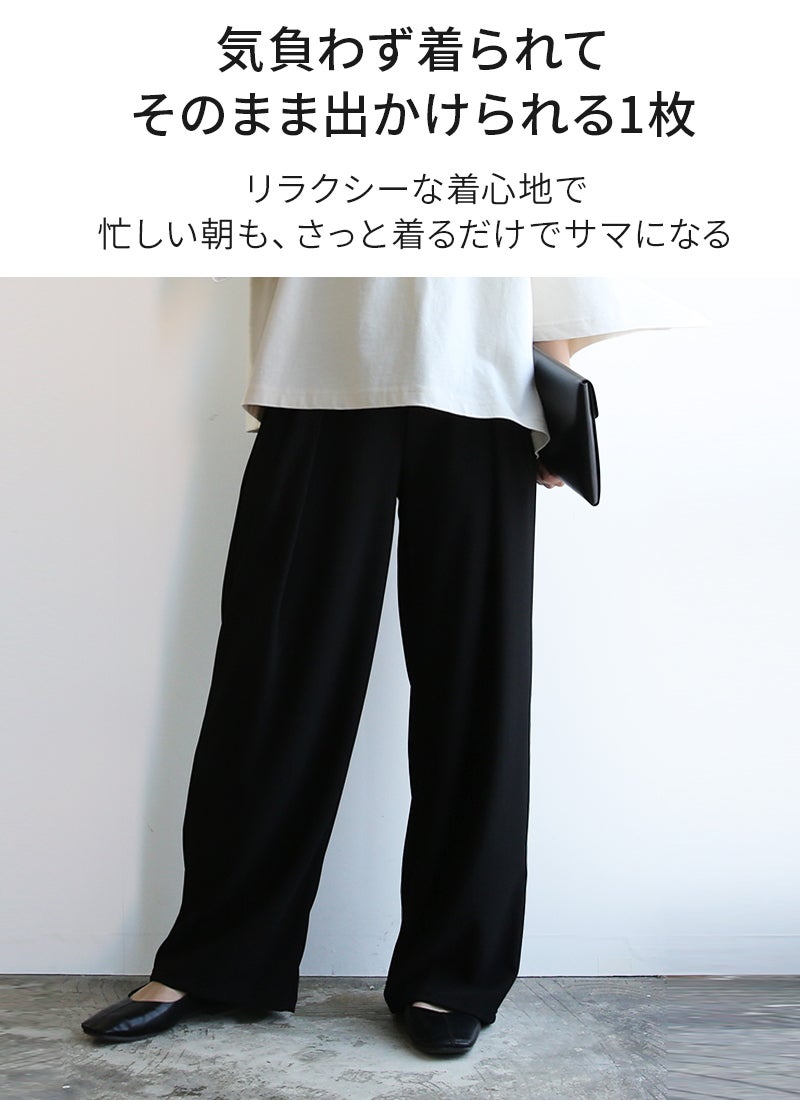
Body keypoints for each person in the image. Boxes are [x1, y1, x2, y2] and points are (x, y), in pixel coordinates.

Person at [81, 277, 683, 1054]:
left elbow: (549, 240)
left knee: (476, 691)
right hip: (319, 369)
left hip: (483, 381)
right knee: (272, 683)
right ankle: (217, 960)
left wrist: (556, 394)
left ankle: (453, 975)